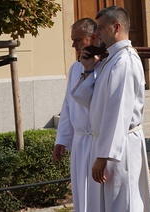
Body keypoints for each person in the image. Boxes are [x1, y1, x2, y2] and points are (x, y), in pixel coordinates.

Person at [80, 6, 150, 211]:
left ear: (117, 27)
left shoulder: (124, 61)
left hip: (119, 148)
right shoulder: (109, 60)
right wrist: (88, 70)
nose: (96, 33)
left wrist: (104, 156)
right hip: (105, 142)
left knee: (123, 203)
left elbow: (118, 112)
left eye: (102, 28)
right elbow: (93, 102)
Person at [53, 18, 100, 212]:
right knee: (81, 195)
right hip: (80, 143)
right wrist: (61, 139)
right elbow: (68, 106)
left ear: (92, 38)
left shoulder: (103, 66)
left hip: (97, 141)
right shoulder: (74, 68)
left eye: (78, 40)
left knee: (97, 197)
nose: (74, 45)